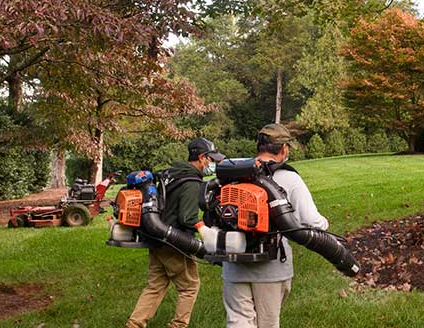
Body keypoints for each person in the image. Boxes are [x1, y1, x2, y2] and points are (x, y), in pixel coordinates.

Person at [222, 124, 329, 328]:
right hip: (271, 268)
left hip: (233, 263)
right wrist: (324, 223)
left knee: (237, 321)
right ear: (284, 149)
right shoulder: (289, 178)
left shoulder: (233, 176)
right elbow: (311, 220)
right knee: (268, 323)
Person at [126, 138, 226, 328]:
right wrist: (204, 230)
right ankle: (178, 325)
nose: (213, 164)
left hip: (156, 238)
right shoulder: (191, 182)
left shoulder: (172, 174)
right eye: (211, 160)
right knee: (189, 286)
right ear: (202, 158)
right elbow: (187, 217)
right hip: (174, 242)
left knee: (155, 286)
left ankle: (134, 324)